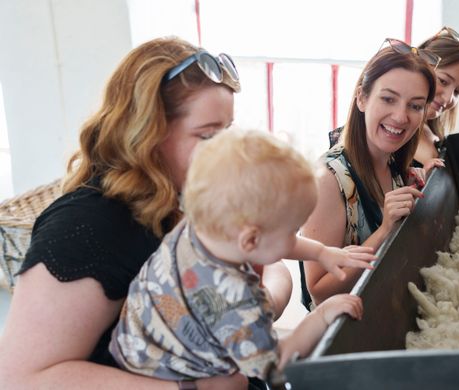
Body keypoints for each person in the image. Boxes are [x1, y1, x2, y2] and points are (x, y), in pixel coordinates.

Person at [0, 37, 283, 389]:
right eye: (207, 137)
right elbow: (23, 377)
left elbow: (268, 265)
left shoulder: (188, 193)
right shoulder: (85, 226)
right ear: (148, 133)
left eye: (228, 131)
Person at [110, 129, 366, 386]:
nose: (295, 237)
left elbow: (271, 240)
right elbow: (277, 359)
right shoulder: (239, 305)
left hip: (135, 347)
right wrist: (321, 316)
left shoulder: (199, 226)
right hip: (173, 374)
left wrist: (320, 252)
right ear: (251, 240)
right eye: (293, 231)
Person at [300, 39, 444, 307]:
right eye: (388, 99)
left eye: (415, 105)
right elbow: (319, 293)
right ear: (362, 98)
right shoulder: (327, 180)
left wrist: (427, 190)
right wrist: (385, 230)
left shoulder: (395, 165)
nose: (401, 117)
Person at [414, 26, 459, 167]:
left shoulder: (434, 134)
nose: (448, 99)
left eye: (458, 92)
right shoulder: (390, 134)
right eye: (443, 81)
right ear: (418, 66)